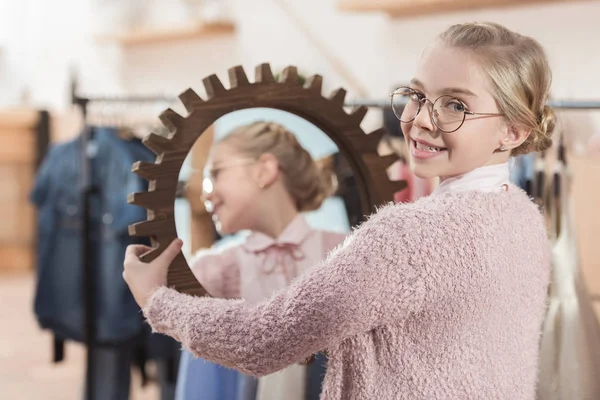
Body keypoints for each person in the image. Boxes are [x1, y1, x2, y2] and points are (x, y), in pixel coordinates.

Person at [124, 22, 555, 399]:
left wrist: (157, 301)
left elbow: (263, 340)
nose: (421, 119)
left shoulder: (408, 239)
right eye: (418, 95)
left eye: (455, 105)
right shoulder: (524, 219)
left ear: (512, 131)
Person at [171, 121, 347, 400]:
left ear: (264, 170)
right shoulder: (211, 270)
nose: (205, 193)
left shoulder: (346, 254)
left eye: (215, 174)